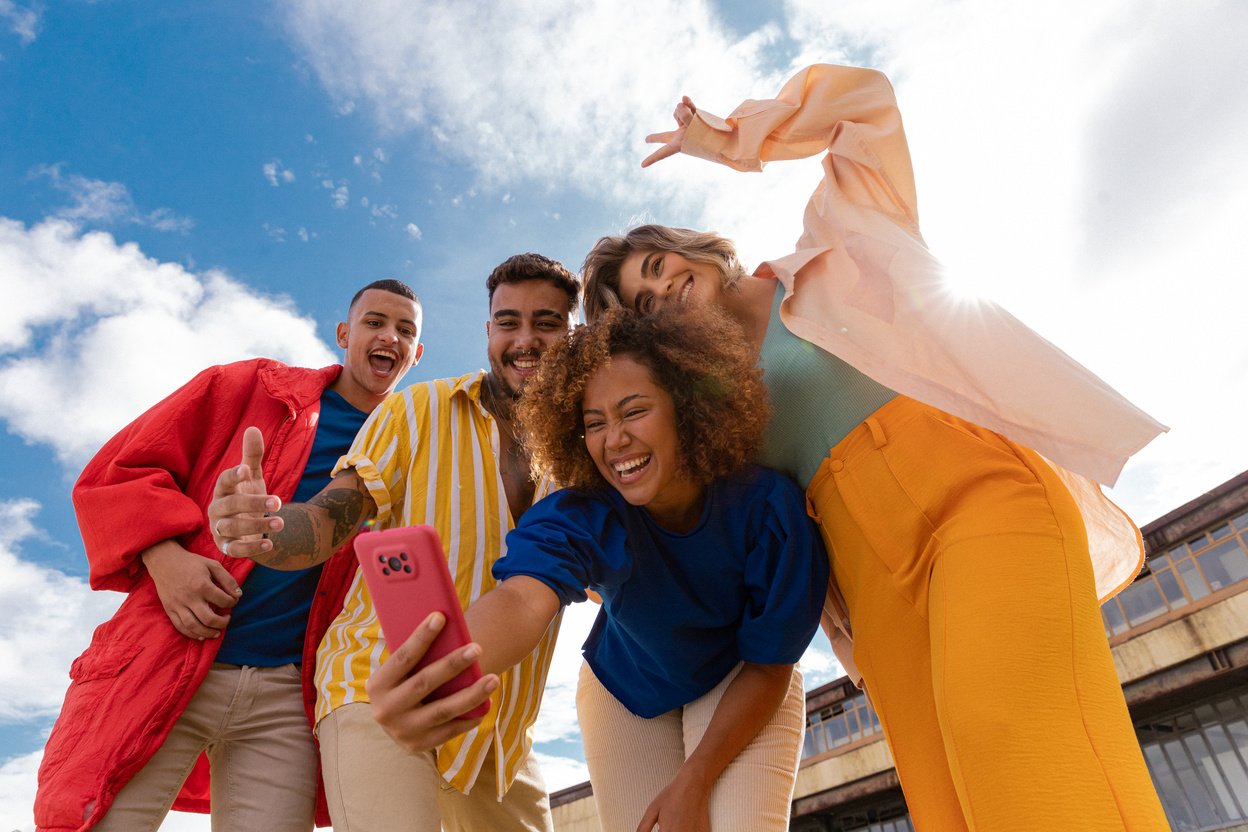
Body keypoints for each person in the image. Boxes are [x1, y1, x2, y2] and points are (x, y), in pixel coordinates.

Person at [579, 65, 1171, 830]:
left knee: (1007, 726)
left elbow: (865, 107)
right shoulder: (711, 416)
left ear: (698, 251)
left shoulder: (839, 243)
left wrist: (730, 140)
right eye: (645, 303)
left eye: (659, 268)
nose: (663, 293)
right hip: (868, 574)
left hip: (978, 494)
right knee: (940, 783)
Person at [377, 305, 828, 832]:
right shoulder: (585, 511)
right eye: (594, 424)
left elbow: (770, 664)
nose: (614, 440)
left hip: (743, 677)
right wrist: (440, 672)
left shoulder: (769, 508)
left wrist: (695, 779)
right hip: (626, 690)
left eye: (634, 411)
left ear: (686, 406)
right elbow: (523, 599)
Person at [34, 280, 431, 831]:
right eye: (374, 322)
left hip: (289, 700)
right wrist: (163, 556)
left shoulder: (412, 445)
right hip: (173, 653)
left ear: (417, 353)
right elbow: (117, 473)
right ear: (345, 333)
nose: (389, 336)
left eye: (405, 330)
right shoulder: (249, 387)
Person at [208, 253, 578, 832]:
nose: (524, 340)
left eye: (547, 323)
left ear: (573, 334)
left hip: (502, 735)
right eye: (508, 323)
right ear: (488, 332)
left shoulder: (587, 456)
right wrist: (268, 532)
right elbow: (333, 516)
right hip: (375, 684)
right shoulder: (417, 408)